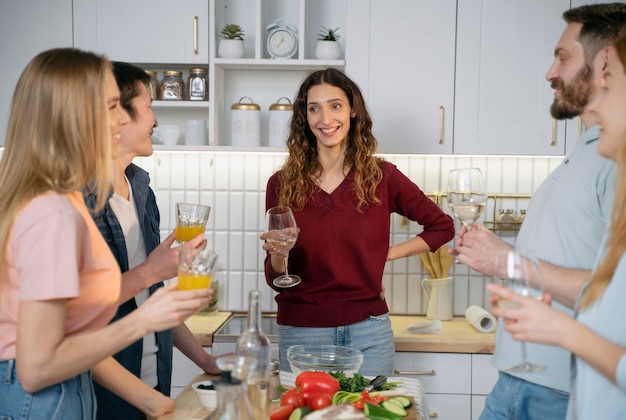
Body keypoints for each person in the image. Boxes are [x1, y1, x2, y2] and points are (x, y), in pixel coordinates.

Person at [0, 48, 210, 420]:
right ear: (77, 115)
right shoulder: (52, 211)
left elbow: (71, 322)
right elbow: (37, 368)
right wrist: (143, 319)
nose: (120, 120)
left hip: (67, 393)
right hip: (49, 398)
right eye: (112, 106)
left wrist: (152, 398)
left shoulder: (60, 202)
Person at [451, 4, 626, 419]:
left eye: (563, 57)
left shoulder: (613, 158)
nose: (550, 72)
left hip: (559, 389)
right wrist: (505, 261)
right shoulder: (588, 149)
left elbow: (611, 291)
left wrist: (509, 262)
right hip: (514, 379)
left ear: (604, 62)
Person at [260, 68, 455, 376]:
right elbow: (275, 277)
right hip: (302, 335)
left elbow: (442, 226)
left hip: (369, 334)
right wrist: (277, 255)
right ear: (304, 118)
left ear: (353, 111)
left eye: (335, 105)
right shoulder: (281, 184)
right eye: (314, 108)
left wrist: (384, 254)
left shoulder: (383, 177)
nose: (325, 118)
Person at [81, 61, 225, 420]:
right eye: (148, 107)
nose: (155, 121)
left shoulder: (142, 191)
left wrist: (205, 360)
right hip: (103, 395)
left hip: (153, 381)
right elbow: (78, 310)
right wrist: (150, 271)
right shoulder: (80, 201)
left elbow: (153, 296)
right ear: (116, 115)